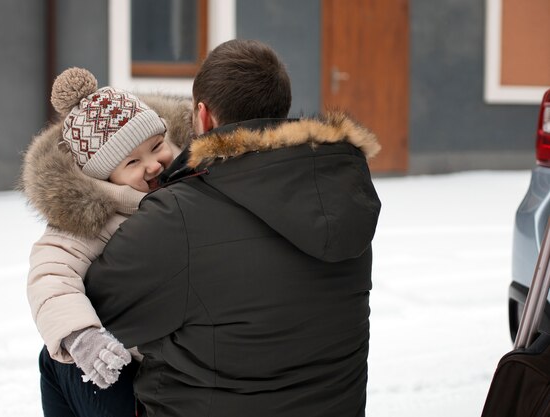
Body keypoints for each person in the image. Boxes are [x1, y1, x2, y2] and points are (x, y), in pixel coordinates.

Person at [83, 39, 382, 417]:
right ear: (280, 110)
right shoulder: (338, 191)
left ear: (204, 117)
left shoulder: (179, 215)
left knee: (65, 357)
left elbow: (97, 311)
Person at [19, 67, 192, 416]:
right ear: (105, 178)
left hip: (174, 365)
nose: (153, 165)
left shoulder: (190, 183)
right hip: (120, 363)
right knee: (60, 364)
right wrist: (80, 334)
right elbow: (51, 275)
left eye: (157, 146)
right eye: (132, 162)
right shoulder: (93, 217)